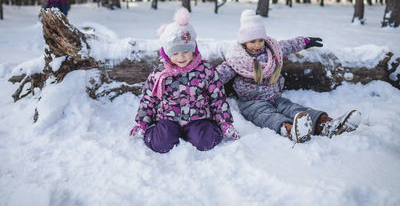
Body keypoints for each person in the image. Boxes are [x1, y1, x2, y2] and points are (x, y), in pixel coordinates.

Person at [216, 10, 361, 143]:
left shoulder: (271, 50)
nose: (257, 45)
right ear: (243, 41)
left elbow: (289, 45)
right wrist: (200, 80)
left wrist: (305, 42)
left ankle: (326, 124)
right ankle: (291, 130)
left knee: (294, 109)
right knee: (267, 116)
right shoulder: (237, 59)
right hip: (251, 102)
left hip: (274, 96)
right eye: (252, 41)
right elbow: (218, 75)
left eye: (260, 40)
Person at [130, 8, 240, 153]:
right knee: (161, 143)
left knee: (205, 141)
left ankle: (200, 132)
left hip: (197, 117)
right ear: (167, 54)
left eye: (185, 52)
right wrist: (142, 122)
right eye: (175, 53)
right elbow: (149, 99)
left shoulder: (205, 70)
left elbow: (217, 98)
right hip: (167, 117)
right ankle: (161, 132)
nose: (181, 58)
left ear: (193, 50)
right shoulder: (160, 73)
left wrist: (224, 122)